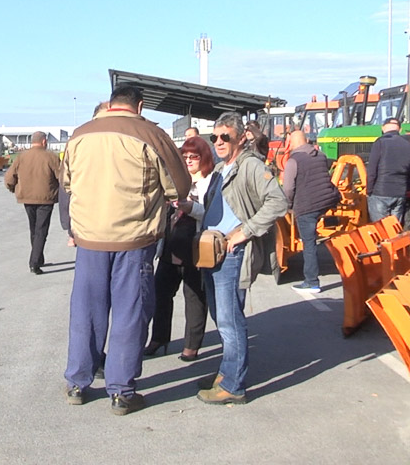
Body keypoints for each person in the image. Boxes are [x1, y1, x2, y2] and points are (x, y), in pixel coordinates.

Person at [62, 86, 190, 416]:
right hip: (134, 239)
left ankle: (77, 382)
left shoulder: (79, 135)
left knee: (86, 312)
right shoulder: (150, 134)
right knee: (129, 313)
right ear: (140, 105)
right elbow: (180, 186)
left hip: (90, 240)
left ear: (110, 104)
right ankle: (121, 391)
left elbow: (68, 183)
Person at [197, 112, 287, 405]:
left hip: (231, 256)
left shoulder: (250, 166)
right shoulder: (221, 168)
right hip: (211, 253)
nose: (219, 142)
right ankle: (226, 372)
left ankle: (233, 385)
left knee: (230, 321)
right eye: (215, 137)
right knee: (220, 318)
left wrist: (244, 232)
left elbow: (278, 201)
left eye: (225, 137)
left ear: (240, 138)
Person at [145, 136, 215, 362]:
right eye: (184, 157)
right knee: (160, 294)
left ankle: (191, 345)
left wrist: (191, 207)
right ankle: (159, 338)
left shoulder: (211, 182)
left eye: (194, 156)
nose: (189, 161)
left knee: (195, 298)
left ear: (204, 157)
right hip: (171, 247)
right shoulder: (176, 180)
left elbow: (214, 214)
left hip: (196, 248)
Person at [282, 130, 340, 294]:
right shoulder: (320, 156)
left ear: (292, 144)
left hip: (307, 206)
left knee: (309, 244)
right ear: (306, 140)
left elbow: (288, 189)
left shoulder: (293, 161)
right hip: (326, 201)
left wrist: (288, 206)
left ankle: (312, 282)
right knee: (313, 238)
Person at [4, 131, 60, 275]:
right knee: (41, 230)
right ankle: (34, 262)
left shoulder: (21, 157)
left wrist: (13, 189)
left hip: (27, 198)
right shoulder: (51, 157)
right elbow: (62, 177)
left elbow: (9, 178)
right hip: (46, 198)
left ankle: (38, 258)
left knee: (34, 228)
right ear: (44, 141)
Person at [367, 118, 410, 223]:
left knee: (381, 227)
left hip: (381, 192)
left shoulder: (380, 143)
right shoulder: (407, 144)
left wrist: (369, 190)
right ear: (400, 129)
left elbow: (372, 169)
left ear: (383, 128)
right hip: (400, 192)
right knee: (395, 227)